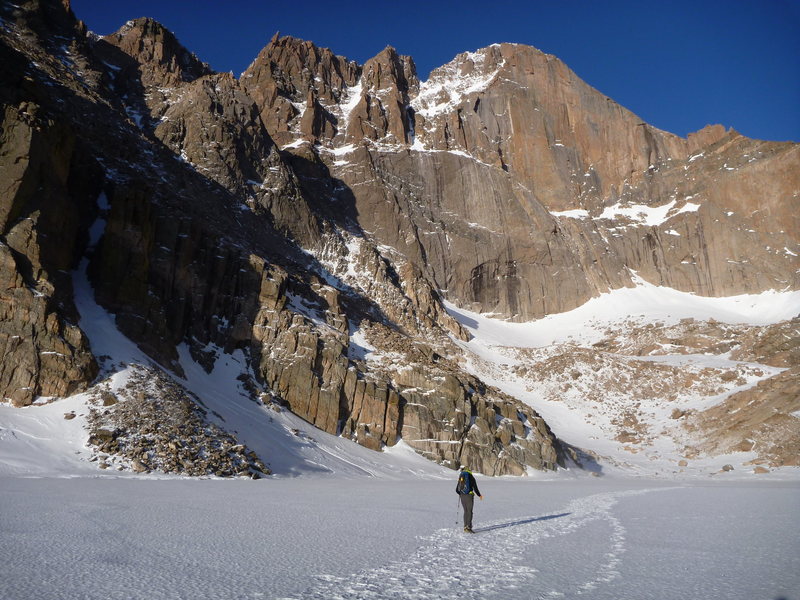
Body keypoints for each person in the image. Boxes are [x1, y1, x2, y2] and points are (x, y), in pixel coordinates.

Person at [455, 465, 483, 533]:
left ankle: (465, 526)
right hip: (469, 496)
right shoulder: (471, 477)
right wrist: (479, 495)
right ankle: (468, 527)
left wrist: (461, 493)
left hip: (462, 496)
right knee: (469, 512)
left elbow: (457, 489)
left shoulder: (461, 476)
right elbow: (475, 488)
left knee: (465, 511)